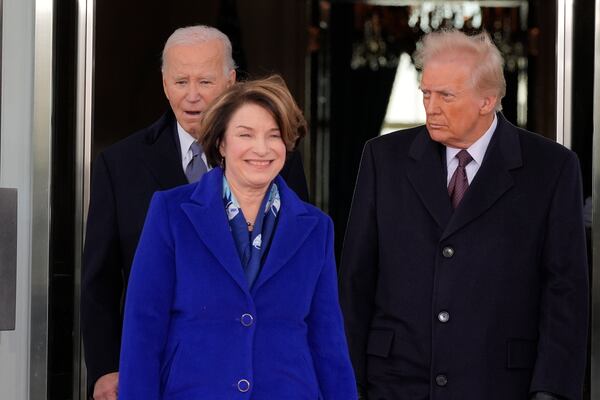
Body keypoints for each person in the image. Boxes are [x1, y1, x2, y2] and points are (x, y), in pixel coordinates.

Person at [339, 29, 588, 400]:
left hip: (501, 385)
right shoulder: (382, 159)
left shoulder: (551, 168)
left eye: (446, 96)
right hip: (394, 383)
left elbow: (565, 292)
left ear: (487, 101)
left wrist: (550, 391)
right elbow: (355, 282)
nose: (430, 107)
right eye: (426, 93)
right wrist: (347, 383)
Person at [81, 25, 309, 400]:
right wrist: (106, 368)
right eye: (180, 81)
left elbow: (296, 272)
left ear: (231, 81)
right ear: (164, 83)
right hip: (157, 368)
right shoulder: (119, 165)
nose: (192, 96)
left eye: (205, 81)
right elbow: (100, 282)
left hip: (258, 368)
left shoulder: (276, 160)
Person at [118, 75, 357, 399]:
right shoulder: (171, 212)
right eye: (246, 134)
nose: (262, 148)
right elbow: (143, 328)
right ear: (221, 143)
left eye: (274, 136)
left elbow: (328, 341)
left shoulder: (316, 227)